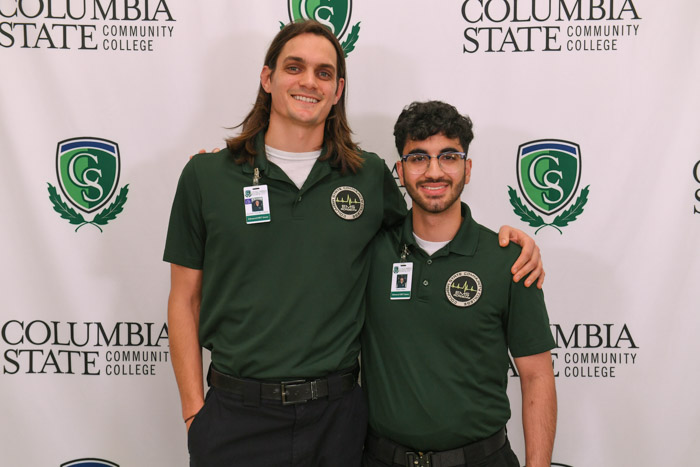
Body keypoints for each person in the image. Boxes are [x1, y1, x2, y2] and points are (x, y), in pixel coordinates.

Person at [164, 21, 543, 467]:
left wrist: (510, 241)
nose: (309, 81)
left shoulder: (368, 175)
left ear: (338, 89)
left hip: (338, 418)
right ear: (267, 79)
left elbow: (427, 232)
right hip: (236, 414)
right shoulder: (206, 177)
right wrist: (194, 411)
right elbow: (184, 299)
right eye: (294, 67)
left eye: (324, 72)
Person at [361, 101, 557, 467]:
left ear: (467, 168)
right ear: (400, 171)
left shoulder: (510, 260)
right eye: (418, 158)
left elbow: (537, 376)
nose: (433, 171)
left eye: (448, 156)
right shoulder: (369, 251)